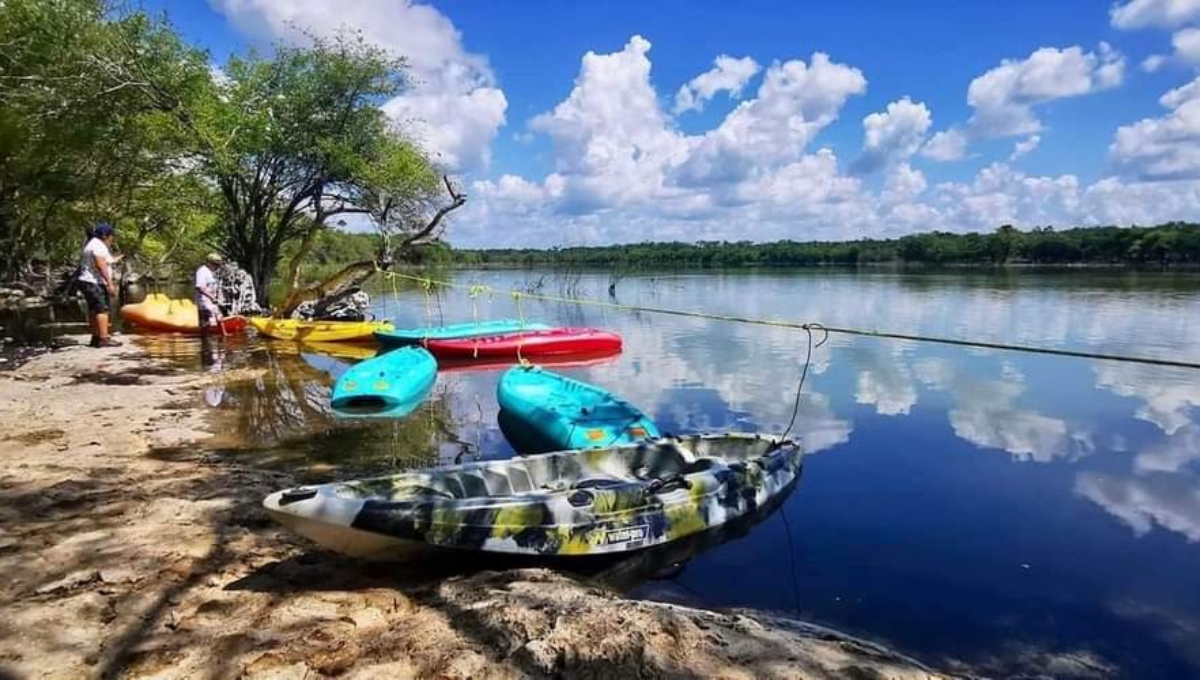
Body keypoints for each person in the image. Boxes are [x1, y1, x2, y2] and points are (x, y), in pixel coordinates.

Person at [77, 223, 121, 348]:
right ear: (105, 235)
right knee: (102, 309)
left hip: (87, 280)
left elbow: (103, 261)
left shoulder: (92, 244)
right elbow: (100, 264)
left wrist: (115, 259)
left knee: (93, 309)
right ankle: (103, 338)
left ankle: (95, 337)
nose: (112, 238)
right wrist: (109, 283)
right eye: (111, 235)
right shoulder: (98, 246)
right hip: (94, 281)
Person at [195, 253, 224, 336]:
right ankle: (206, 343)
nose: (217, 266)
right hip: (204, 303)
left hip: (213, 302)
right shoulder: (202, 271)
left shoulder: (212, 272)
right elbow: (200, 287)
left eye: (218, 264)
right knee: (206, 324)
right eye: (215, 264)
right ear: (208, 262)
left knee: (219, 320)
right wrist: (212, 298)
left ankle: (221, 340)